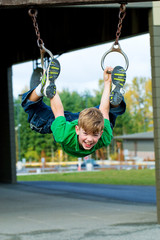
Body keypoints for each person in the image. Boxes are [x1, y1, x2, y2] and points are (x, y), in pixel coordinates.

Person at [22, 59, 126, 157]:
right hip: (74, 124)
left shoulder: (63, 135)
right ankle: (116, 100)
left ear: (100, 133)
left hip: (68, 122)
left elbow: (58, 112)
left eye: (95, 135)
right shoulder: (104, 137)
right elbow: (104, 111)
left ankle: (42, 87)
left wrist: (108, 81)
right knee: (110, 112)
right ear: (77, 129)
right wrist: (107, 83)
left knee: (34, 114)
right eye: (86, 134)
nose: (89, 140)